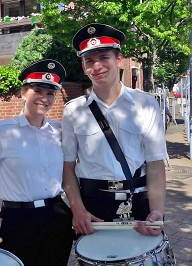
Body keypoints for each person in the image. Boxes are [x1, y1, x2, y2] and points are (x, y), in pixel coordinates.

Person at [62, 23, 167, 237]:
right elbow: (68, 168)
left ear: (119, 60)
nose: (97, 66)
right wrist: (78, 210)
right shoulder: (73, 111)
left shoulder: (146, 104)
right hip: (92, 207)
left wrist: (157, 210)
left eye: (104, 57)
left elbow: (155, 165)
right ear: (84, 68)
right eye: (89, 61)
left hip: (138, 202)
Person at [0, 59, 75, 265]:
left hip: (56, 213)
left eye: (50, 93)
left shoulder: (60, 131)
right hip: (17, 218)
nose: (44, 98)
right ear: (23, 93)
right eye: (37, 90)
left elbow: (68, 175)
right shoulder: (1, 132)